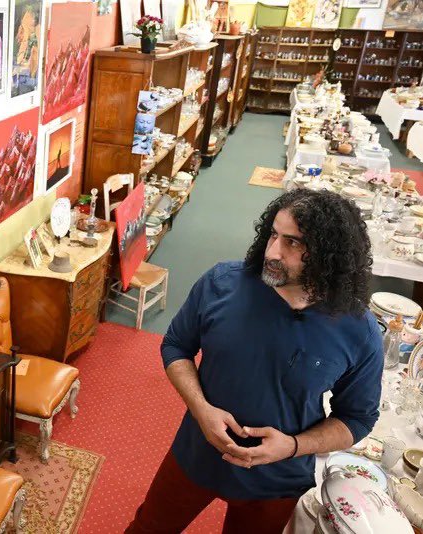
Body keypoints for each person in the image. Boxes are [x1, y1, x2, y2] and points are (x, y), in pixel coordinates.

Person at [127, 189, 383, 533]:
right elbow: (176, 346)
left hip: (278, 479)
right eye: (273, 235)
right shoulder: (222, 283)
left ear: (329, 255)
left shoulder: (359, 330)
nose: (273, 252)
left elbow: (357, 418)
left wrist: (293, 446)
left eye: (293, 243)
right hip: (198, 451)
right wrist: (201, 409)